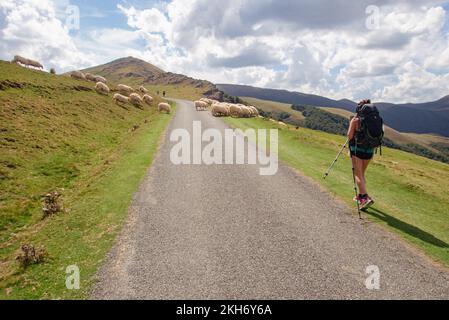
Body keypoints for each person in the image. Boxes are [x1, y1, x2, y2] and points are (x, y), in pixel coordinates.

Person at [347, 99, 375, 210]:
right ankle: (360, 196)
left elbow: (349, 136)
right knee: (362, 174)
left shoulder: (355, 120)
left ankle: (365, 198)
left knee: (357, 174)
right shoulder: (375, 120)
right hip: (369, 151)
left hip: (357, 150)